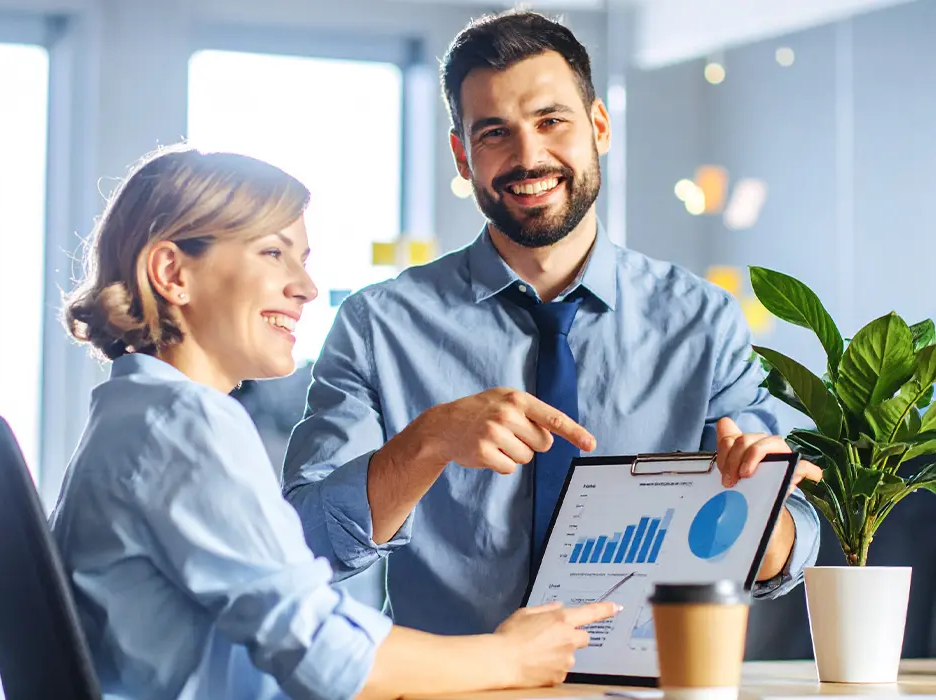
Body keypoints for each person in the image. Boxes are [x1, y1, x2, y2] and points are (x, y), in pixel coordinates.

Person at [282, 10, 823, 637]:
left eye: (551, 121)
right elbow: (303, 548)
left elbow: (781, 558)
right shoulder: (378, 324)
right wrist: (425, 444)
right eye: (494, 133)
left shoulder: (702, 320)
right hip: (449, 687)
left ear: (597, 126)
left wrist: (763, 505)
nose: (528, 156)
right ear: (462, 155)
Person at [48, 145, 618, 700]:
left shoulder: (135, 415)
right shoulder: (183, 424)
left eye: (303, 259)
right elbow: (324, 656)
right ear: (173, 272)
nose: (306, 287)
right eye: (273, 253)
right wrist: (510, 657)